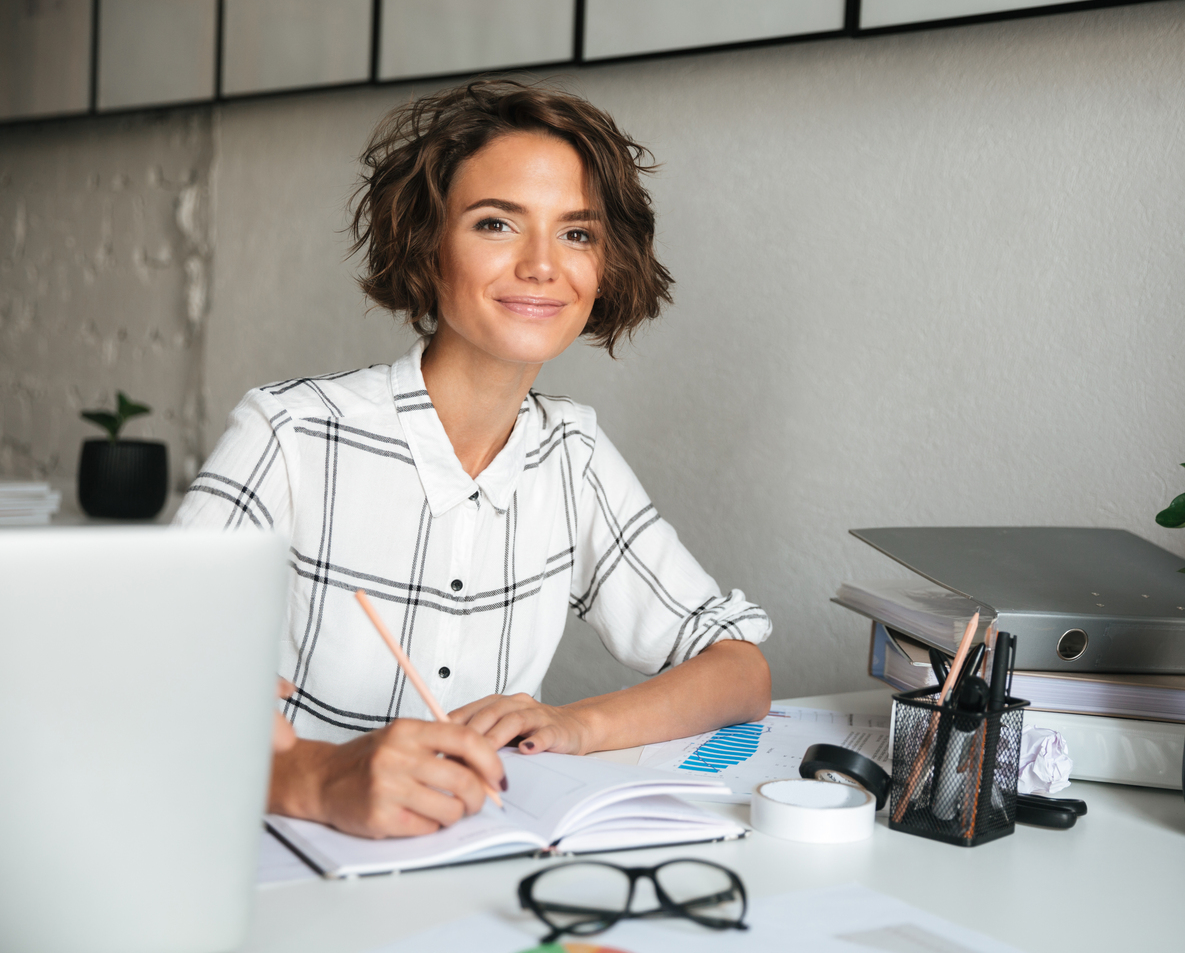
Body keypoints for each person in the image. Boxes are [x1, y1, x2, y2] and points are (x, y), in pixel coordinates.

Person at [177, 80, 773, 839]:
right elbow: (140, 673)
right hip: (279, 857)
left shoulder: (573, 457)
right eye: (497, 224)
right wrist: (315, 779)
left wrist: (572, 725)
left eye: (577, 234)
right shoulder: (291, 432)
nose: (541, 265)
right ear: (428, 242)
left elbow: (739, 671)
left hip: (476, 863)